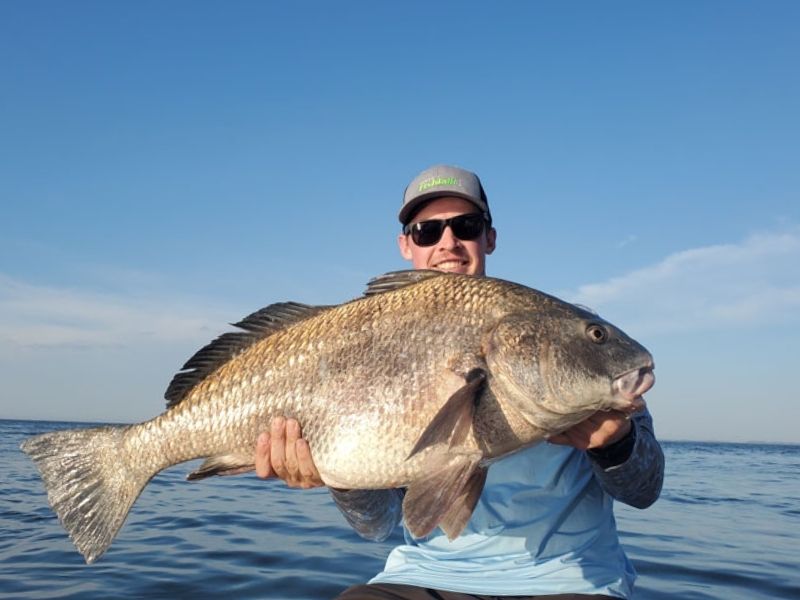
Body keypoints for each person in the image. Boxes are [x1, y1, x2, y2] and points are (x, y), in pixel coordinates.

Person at [254, 165, 664, 599]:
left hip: (567, 580)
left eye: (465, 226)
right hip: (425, 577)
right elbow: (379, 526)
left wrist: (615, 444)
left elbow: (645, 490)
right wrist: (337, 476)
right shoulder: (374, 343)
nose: (447, 243)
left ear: (489, 236)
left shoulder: (564, 331)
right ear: (405, 245)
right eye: (427, 231)